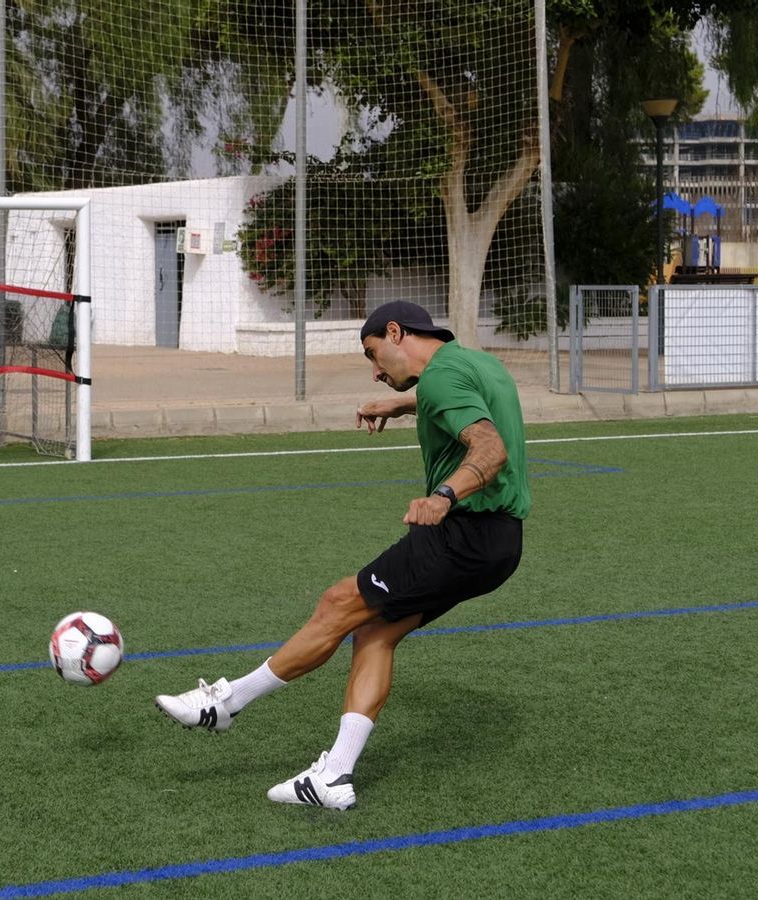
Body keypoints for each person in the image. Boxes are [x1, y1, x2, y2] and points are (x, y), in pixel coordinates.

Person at [154, 300, 530, 810]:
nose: (376, 372)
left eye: (374, 355)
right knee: (374, 630)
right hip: (501, 543)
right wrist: (398, 406)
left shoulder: (440, 381)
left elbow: (489, 448)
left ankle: (224, 703)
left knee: (337, 604)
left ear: (396, 332)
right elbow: (462, 404)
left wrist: (443, 495)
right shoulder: (476, 363)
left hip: (460, 532)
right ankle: (333, 776)